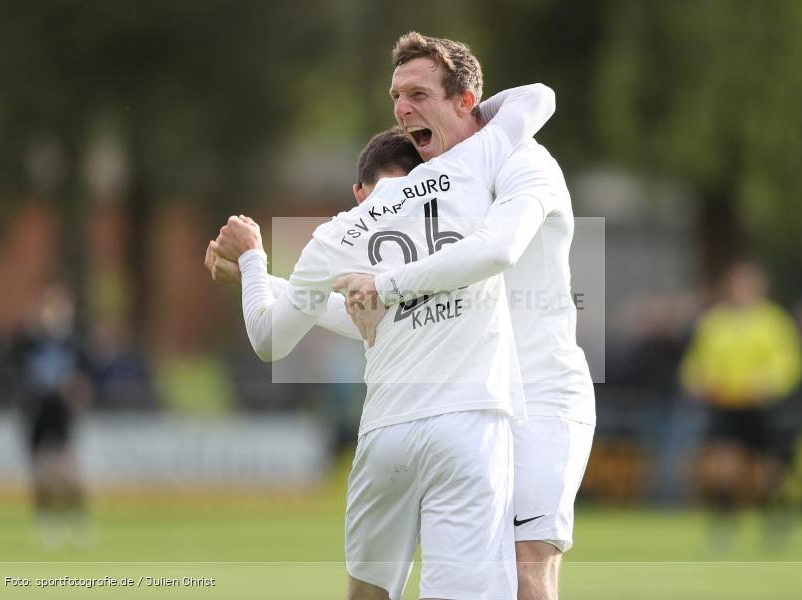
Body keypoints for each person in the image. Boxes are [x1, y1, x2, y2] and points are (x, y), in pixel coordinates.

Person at [213, 83, 555, 599]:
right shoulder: (463, 184)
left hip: (386, 435)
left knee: (367, 593)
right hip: (468, 423)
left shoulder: (338, 233)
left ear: (360, 190)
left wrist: (254, 261)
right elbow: (537, 98)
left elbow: (270, 337)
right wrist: (462, 112)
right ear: (427, 170)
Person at [335, 33, 596, 600]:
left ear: (465, 101)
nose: (403, 110)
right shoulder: (428, 189)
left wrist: (386, 284)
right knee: (407, 581)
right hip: (469, 401)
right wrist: (259, 278)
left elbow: (498, 248)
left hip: (543, 395)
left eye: (419, 93)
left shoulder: (528, 163)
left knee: (527, 570)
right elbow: (358, 296)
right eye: (396, 97)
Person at [680, 261, 802, 550]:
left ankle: (775, 517)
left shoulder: (773, 321)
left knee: (765, 473)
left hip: (761, 406)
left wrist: (770, 382)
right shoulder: (715, 322)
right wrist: (698, 379)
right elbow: (697, 361)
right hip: (727, 404)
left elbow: (790, 362)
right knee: (723, 467)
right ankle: (724, 525)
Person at [8, 279, 93, 547]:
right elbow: (13, 366)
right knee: (40, 470)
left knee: (67, 469)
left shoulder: (74, 341)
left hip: (60, 411)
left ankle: (77, 516)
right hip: (36, 410)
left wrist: (79, 389)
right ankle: (45, 518)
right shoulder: (30, 338)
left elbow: (84, 375)